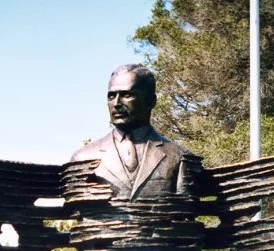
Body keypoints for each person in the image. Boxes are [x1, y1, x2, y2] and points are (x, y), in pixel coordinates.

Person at [70, 64, 197, 201]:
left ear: (151, 101)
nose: (116, 103)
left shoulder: (180, 157)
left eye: (126, 95)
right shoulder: (83, 159)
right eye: (111, 96)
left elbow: (186, 213)